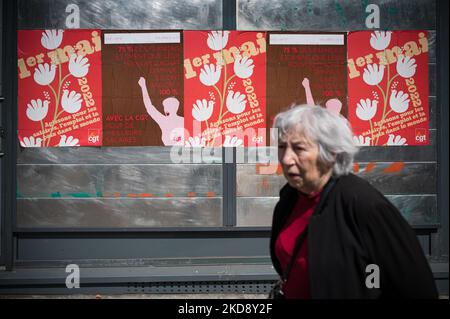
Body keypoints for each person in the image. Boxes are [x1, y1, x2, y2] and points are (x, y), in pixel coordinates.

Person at [270, 104, 438, 299]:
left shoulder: (363, 204)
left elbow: (414, 287)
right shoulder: (290, 197)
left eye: (299, 148)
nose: (286, 158)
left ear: (331, 152)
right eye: (282, 147)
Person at [138, 76, 184, 145]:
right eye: (164, 107)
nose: (164, 109)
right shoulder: (184, 120)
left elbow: (149, 107)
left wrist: (143, 86)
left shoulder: (164, 120)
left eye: (165, 107)